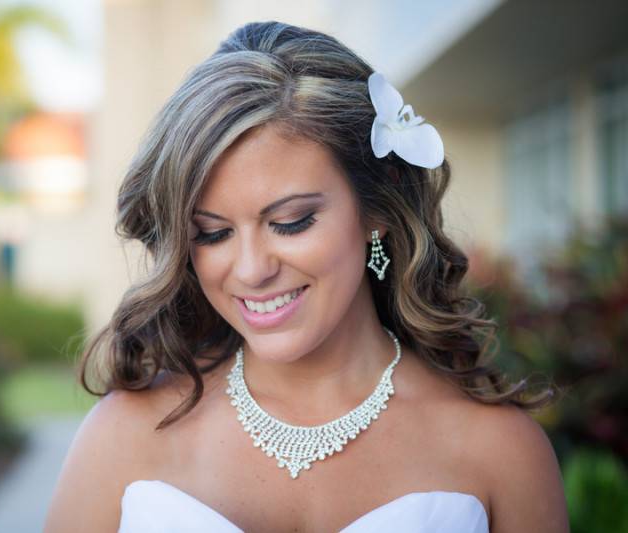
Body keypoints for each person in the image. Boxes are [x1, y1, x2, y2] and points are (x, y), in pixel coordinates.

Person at [45, 21, 569, 533]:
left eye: (291, 222)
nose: (252, 270)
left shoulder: (500, 452)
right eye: (212, 233)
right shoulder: (124, 435)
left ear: (376, 208)